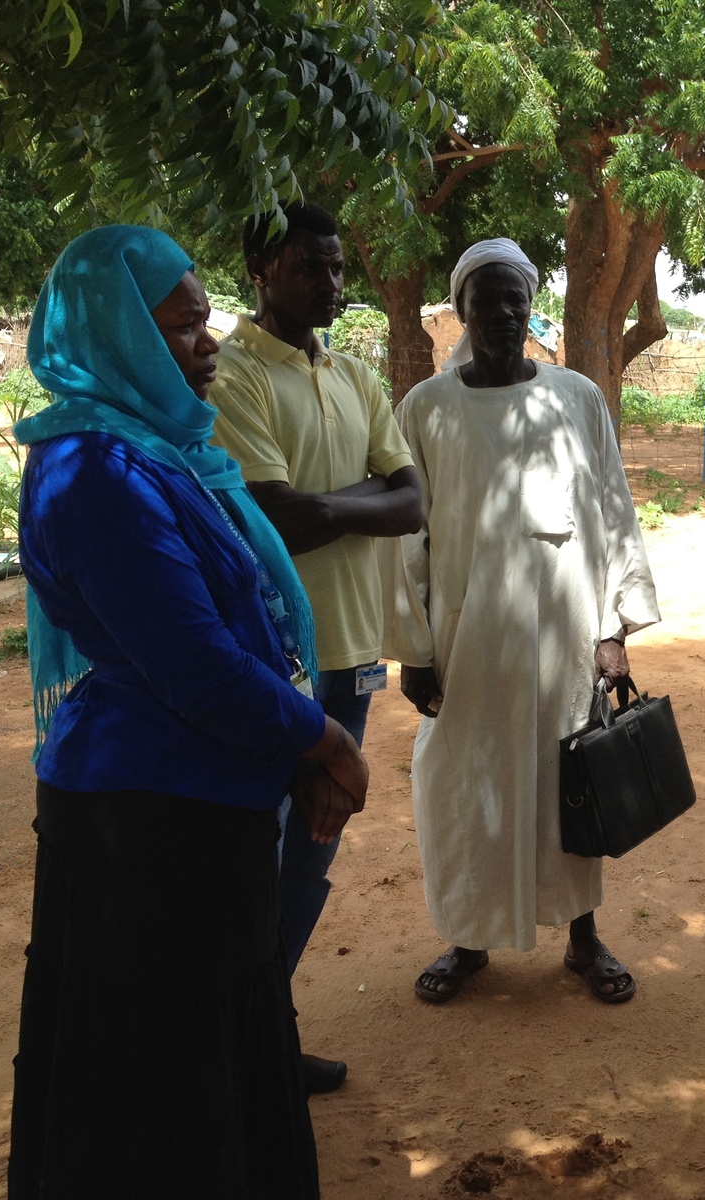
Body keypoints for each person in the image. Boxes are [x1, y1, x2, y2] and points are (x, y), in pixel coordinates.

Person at [9, 225, 369, 1197]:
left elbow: (238, 628)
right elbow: (198, 667)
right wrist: (324, 737)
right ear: (116, 337)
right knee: (161, 1090)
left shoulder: (164, 453)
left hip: (204, 802)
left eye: (204, 320)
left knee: (210, 1059)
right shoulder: (96, 473)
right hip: (150, 825)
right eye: (178, 327)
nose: (206, 343)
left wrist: (295, 747)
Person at [380, 238, 659, 1005]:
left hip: (564, 638)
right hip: (465, 641)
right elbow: (407, 538)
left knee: (573, 782)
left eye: (516, 300)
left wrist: (614, 630)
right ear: (461, 310)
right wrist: (413, 650)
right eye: (487, 300)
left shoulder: (577, 397)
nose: (504, 313)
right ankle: (468, 940)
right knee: (465, 785)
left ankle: (583, 938)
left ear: (532, 307)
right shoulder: (427, 407)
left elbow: (611, 511)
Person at [208, 201, 422, 1093]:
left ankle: (260, 1034)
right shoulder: (232, 375)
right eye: (310, 267)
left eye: (337, 267)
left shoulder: (355, 375)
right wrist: (357, 500)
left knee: (313, 853)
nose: (332, 283)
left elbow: (413, 502)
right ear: (261, 271)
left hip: (353, 656)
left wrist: (320, 506)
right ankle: (225, 1046)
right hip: (276, 661)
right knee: (257, 852)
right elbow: (272, 522)